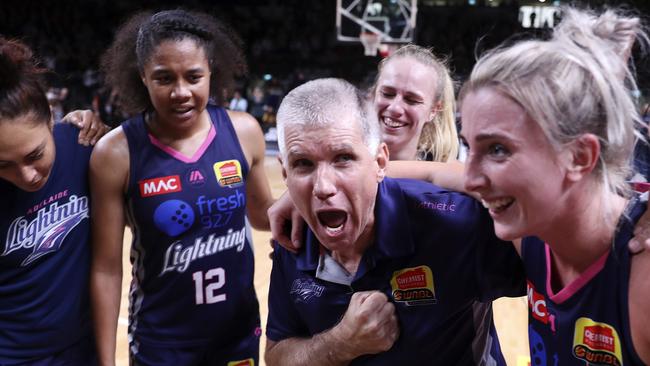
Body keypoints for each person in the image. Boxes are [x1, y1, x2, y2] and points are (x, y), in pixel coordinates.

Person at [264, 78, 525, 365]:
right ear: (285, 175)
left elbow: (558, 278)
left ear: (379, 163)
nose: (323, 186)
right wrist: (340, 344)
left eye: (343, 158)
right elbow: (277, 354)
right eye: (303, 164)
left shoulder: (454, 224)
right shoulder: (294, 236)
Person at [458, 7, 650, 364]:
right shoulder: (532, 226)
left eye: (497, 149)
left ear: (578, 156)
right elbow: (438, 175)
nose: (470, 178)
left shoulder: (642, 277)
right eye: (468, 146)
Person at [89, 9, 274, 366]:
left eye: (193, 77)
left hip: (237, 335)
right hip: (161, 342)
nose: (181, 92)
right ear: (142, 76)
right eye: (163, 78)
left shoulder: (244, 131)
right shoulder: (115, 154)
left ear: (211, 73)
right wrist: (104, 360)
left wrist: (313, 196)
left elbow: (264, 214)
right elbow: (106, 269)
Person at [0, 37, 104, 365]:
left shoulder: (83, 146)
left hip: (83, 349)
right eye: (3, 164)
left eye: (35, 155)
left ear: (51, 120)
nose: (28, 175)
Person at [371, 44, 459, 162]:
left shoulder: (448, 177)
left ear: (433, 110)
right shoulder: (342, 159)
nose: (395, 108)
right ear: (373, 95)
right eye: (387, 94)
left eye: (412, 100)